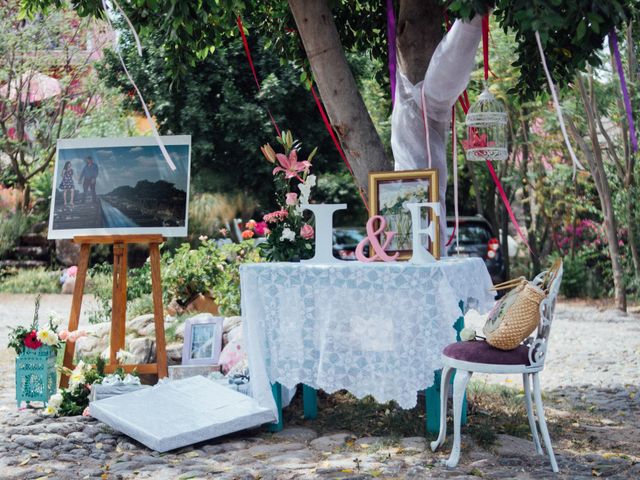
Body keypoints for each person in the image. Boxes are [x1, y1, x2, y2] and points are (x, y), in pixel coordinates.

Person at [391, 15, 483, 255]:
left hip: (423, 223)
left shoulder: (431, 101)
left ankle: (473, 14)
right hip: (410, 234)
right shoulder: (418, 104)